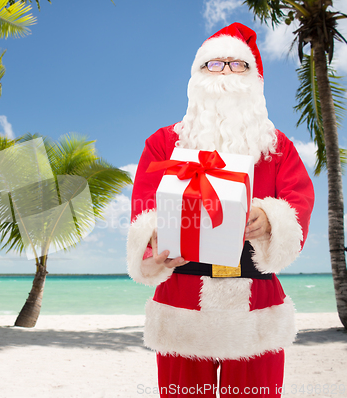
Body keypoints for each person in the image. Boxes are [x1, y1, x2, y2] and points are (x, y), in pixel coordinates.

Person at [126, 23, 314, 397]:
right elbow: (142, 211)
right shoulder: (163, 143)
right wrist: (153, 243)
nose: (226, 72)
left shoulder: (277, 148)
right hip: (182, 302)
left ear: (254, 77)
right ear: (197, 76)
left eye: (237, 64)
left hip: (254, 306)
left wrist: (272, 220)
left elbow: (298, 204)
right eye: (215, 64)